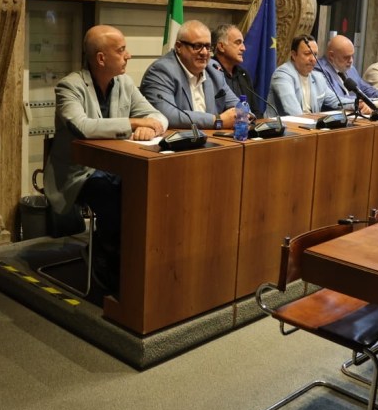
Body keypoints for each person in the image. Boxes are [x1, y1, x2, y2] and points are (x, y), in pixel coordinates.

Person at [43, 25, 168, 293]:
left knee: (142, 191)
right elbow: (84, 126)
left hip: (116, 167)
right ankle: (107, 258)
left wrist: (152, 126)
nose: (129, 56)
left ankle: (129, 259)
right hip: (78, 173)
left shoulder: (124, 83)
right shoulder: (69, 86)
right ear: (101, 58)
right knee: (116, 196)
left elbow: (158, 116)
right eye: (121, 50)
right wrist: (134, 122)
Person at [140, 19, 239, 129]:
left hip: (213, 140)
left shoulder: (214, 68)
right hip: (178, 142)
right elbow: (168, 115)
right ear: (179, 47)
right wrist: (217, 121)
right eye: (197, 46)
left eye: (207, 47)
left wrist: (245, 115)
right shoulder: (161, 71)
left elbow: (238, 106)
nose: (204, 53)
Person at [315, 34, 378, 109]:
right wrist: (365, 102)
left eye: (352, 56)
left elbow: (365, 89)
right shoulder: (319, 70)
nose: (351, 60)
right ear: (331, 55)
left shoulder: (350, 69)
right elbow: (337, 99)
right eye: (346, 57)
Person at [269, 34, 342, 115]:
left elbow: (336, 101)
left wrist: (356, 103)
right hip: (283, 126)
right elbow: (292, 109)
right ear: (294, 55)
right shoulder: (282, 75)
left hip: (310, 124)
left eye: (315, 54)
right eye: (307, 54)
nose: (313, 59)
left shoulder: (318, 77)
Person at [211, 23, 261, 113]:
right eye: (238, 43)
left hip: (245, 125)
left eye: (243, 43)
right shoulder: (209, 72)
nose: (243, 48)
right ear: (221, 46)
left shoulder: (243, 74)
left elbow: (255, 111)